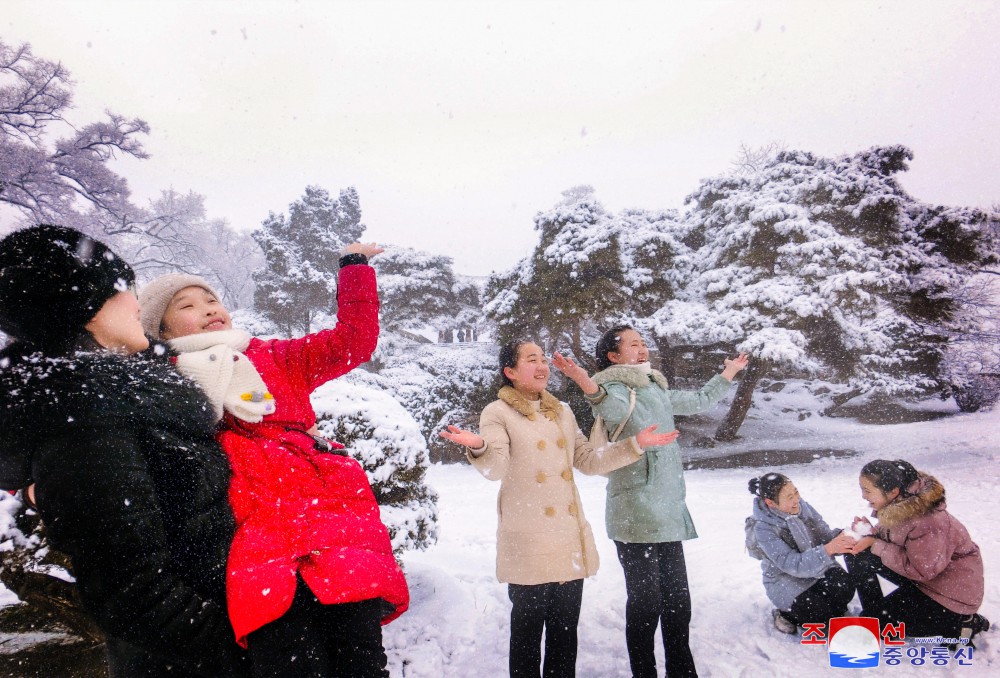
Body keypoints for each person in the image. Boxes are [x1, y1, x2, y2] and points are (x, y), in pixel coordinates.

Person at [138, 243, 407, 678]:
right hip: (254, 538)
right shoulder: (163, 380)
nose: (208, 309)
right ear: (162, 329)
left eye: (211, 299)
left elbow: (353, 341)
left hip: (330, 521)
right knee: (287, 658)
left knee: (361, 658)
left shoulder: (274, 356)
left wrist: (354, 269)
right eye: (187, 306)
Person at [0, 225, 246, 677]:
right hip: (196, 658)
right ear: (83, 307)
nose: (137, 302)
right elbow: (133, 593)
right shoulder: (88, 415)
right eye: (123, 289)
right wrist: (250, 652)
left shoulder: (124, 399)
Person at [439, 339, 679, 678]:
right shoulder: (498, 412)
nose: (541, 366)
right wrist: (479, 446)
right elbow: (496, 469)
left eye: (543, 359)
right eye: (530, 359)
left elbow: (587, 460)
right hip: (530, 542)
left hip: (567, 541)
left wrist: (635, 444)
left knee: (565, 638)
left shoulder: (561, 410)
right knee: (527, 638)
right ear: (510, 371)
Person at [554, 325, 748, 678]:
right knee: (647, 603)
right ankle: (644, 671)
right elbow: (609, 407)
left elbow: (700, 400)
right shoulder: (616, 387)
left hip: (669, 507)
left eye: (643, 343)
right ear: (614, 357)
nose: (642, 349)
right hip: (635, 511)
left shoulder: (654, 387)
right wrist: (584, 380)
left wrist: (728, 372)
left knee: (678, 602)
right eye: (632, 345)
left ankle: (682, 670)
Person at [846, 459, 989, 642]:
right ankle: (875, 613)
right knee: (860, 555)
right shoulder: (901, 501)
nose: (864, 496)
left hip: (948, 597)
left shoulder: (928, 521)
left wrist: (875, 544)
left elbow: (923, 570)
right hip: (926, 582)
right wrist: (871, 534)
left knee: (877, 623)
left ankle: (962, 623)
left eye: (867, 490)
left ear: (893, 492)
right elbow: (898, 538)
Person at [747, 473, 855, 634]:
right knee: (816, 612)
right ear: (771, 503)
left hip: (816, 568)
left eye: (796, 492)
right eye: (789, 497)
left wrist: (844, 536)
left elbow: (824, 535)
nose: (796, 499)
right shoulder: (763, 527)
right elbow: (792, 564)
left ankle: (830, 610)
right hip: (785, 579)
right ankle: (785, 615)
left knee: (846, 587)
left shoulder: (802, 507)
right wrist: (829, 549)